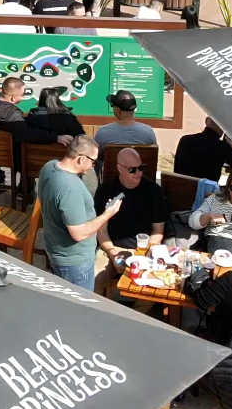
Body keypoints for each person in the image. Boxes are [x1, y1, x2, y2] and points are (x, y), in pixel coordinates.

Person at [38, 137, 116, 290]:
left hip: (56, 250)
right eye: (93, 161)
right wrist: (107, 214)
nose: (94, 165)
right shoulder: (70, 189)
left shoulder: (49, 167)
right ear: (81, 159)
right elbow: (78, 234)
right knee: (80, 309)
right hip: (74, 262)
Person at [94, 144, 168, 263]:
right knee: (97, 275)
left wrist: (147, 252)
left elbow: (158, 231)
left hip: (144, 249)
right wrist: (112, 253)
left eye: (141, 168)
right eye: (132, 170)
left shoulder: (153, 190)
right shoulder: (106, 190)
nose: (138, 173)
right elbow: (101, 231)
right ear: (120, 168)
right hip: (112, 248)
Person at [173, 117, 232, 181]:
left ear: (206, 121)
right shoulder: (222, 147)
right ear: (223, 127)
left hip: (181, 191)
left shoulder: (185, 140)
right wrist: (231, 149)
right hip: (207, 194)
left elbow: (176, 170)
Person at [94, 90, 158, 146]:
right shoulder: (148, 132)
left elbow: (96, 155)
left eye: (112, 106)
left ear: (117, 110)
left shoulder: (103, 132)